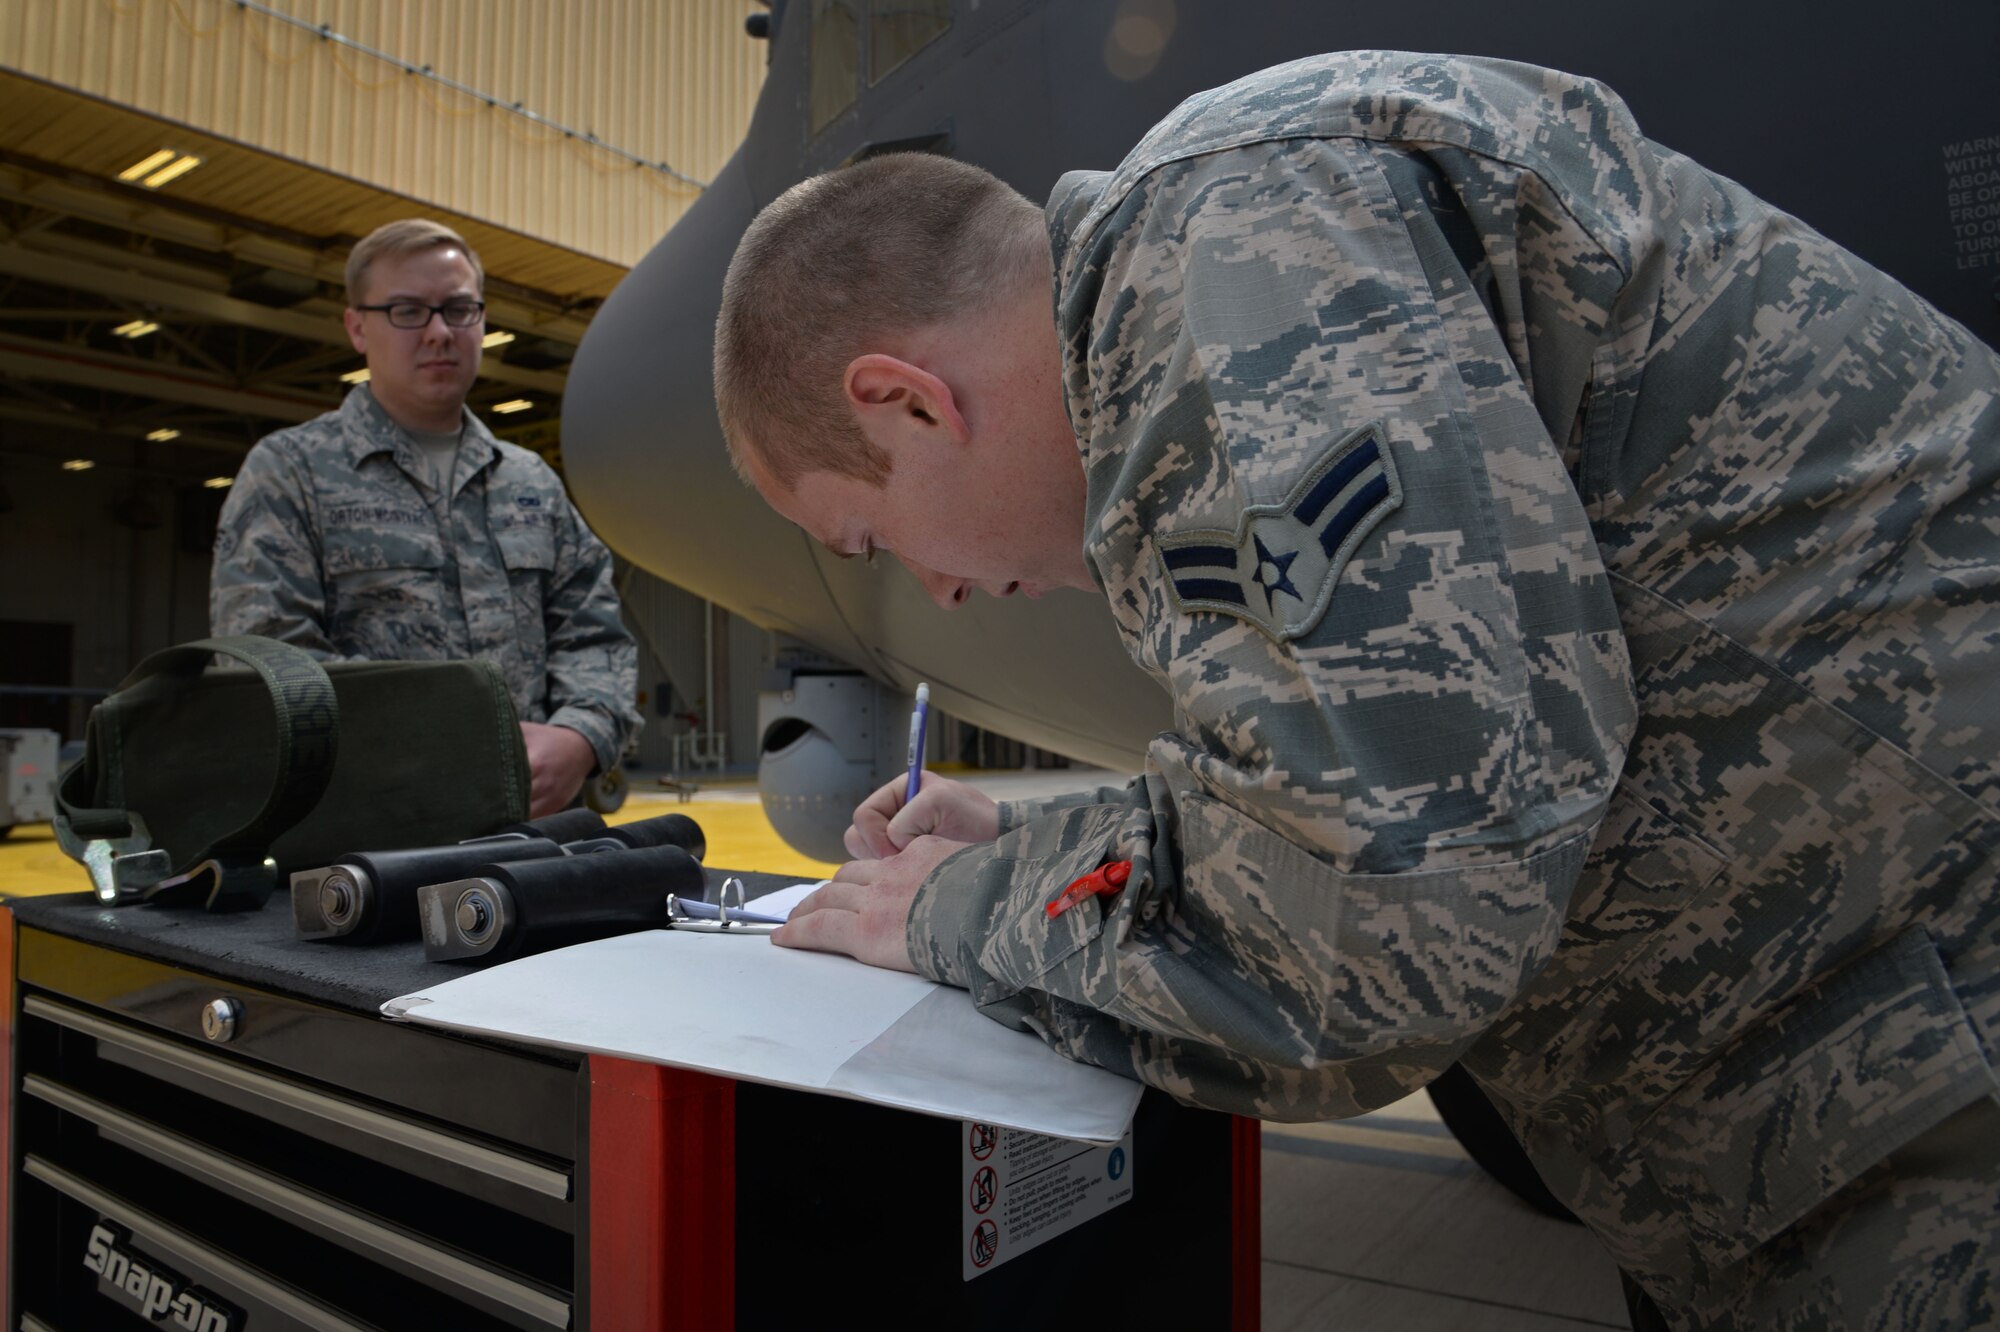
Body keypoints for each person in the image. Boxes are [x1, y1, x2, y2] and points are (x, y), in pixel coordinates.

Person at [713, 52, 2000, 1331]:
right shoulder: (1202, 274)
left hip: (1932, 1071)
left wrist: (950, 909)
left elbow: (1377, 924)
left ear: (906, 403)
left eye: (870, 537)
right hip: (1863, 1073)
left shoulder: (1237, 251)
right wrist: (1045, 844)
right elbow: (1369, 770)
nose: (930, 592)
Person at [212, 219, 639, 817]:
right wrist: (441, 747)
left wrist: (581, 738)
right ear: (358, 328)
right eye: (408, 311)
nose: (440, 332)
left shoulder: (530, 483)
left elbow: (593, 636)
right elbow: (263, 664)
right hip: (364, 835)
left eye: (459, 309)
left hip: (529, 838)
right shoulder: (290, 473)